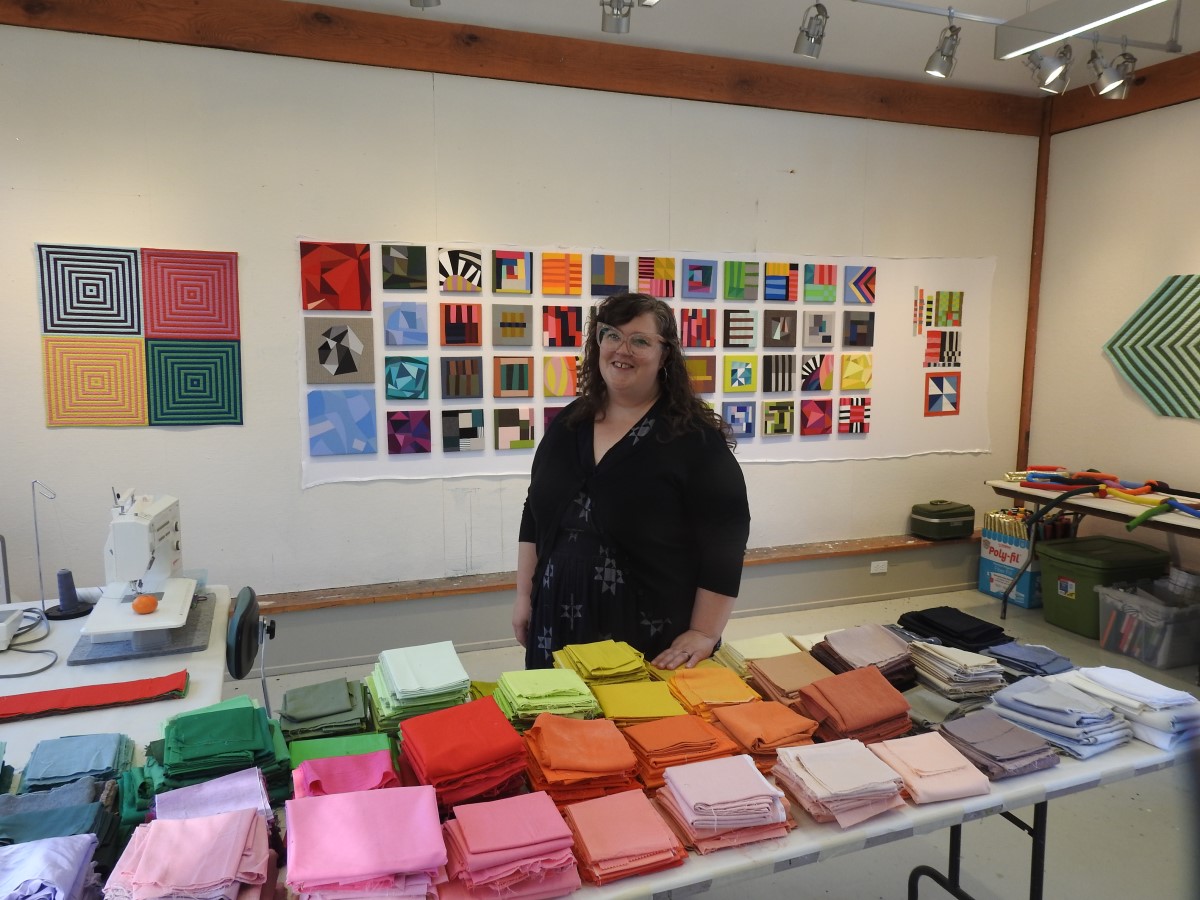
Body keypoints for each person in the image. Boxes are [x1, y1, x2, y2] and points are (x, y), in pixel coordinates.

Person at [513, 292, 750, 671]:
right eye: (611, 335)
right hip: (553, 625)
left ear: (665, 354)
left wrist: (705, 632)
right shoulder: (568, 424)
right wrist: (525, 596)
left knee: (632, 728)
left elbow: (727, 535)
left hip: (646, 635)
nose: (622, 349)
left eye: (639, 340)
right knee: (556, 727)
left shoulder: (693, 439)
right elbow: (534, 513)